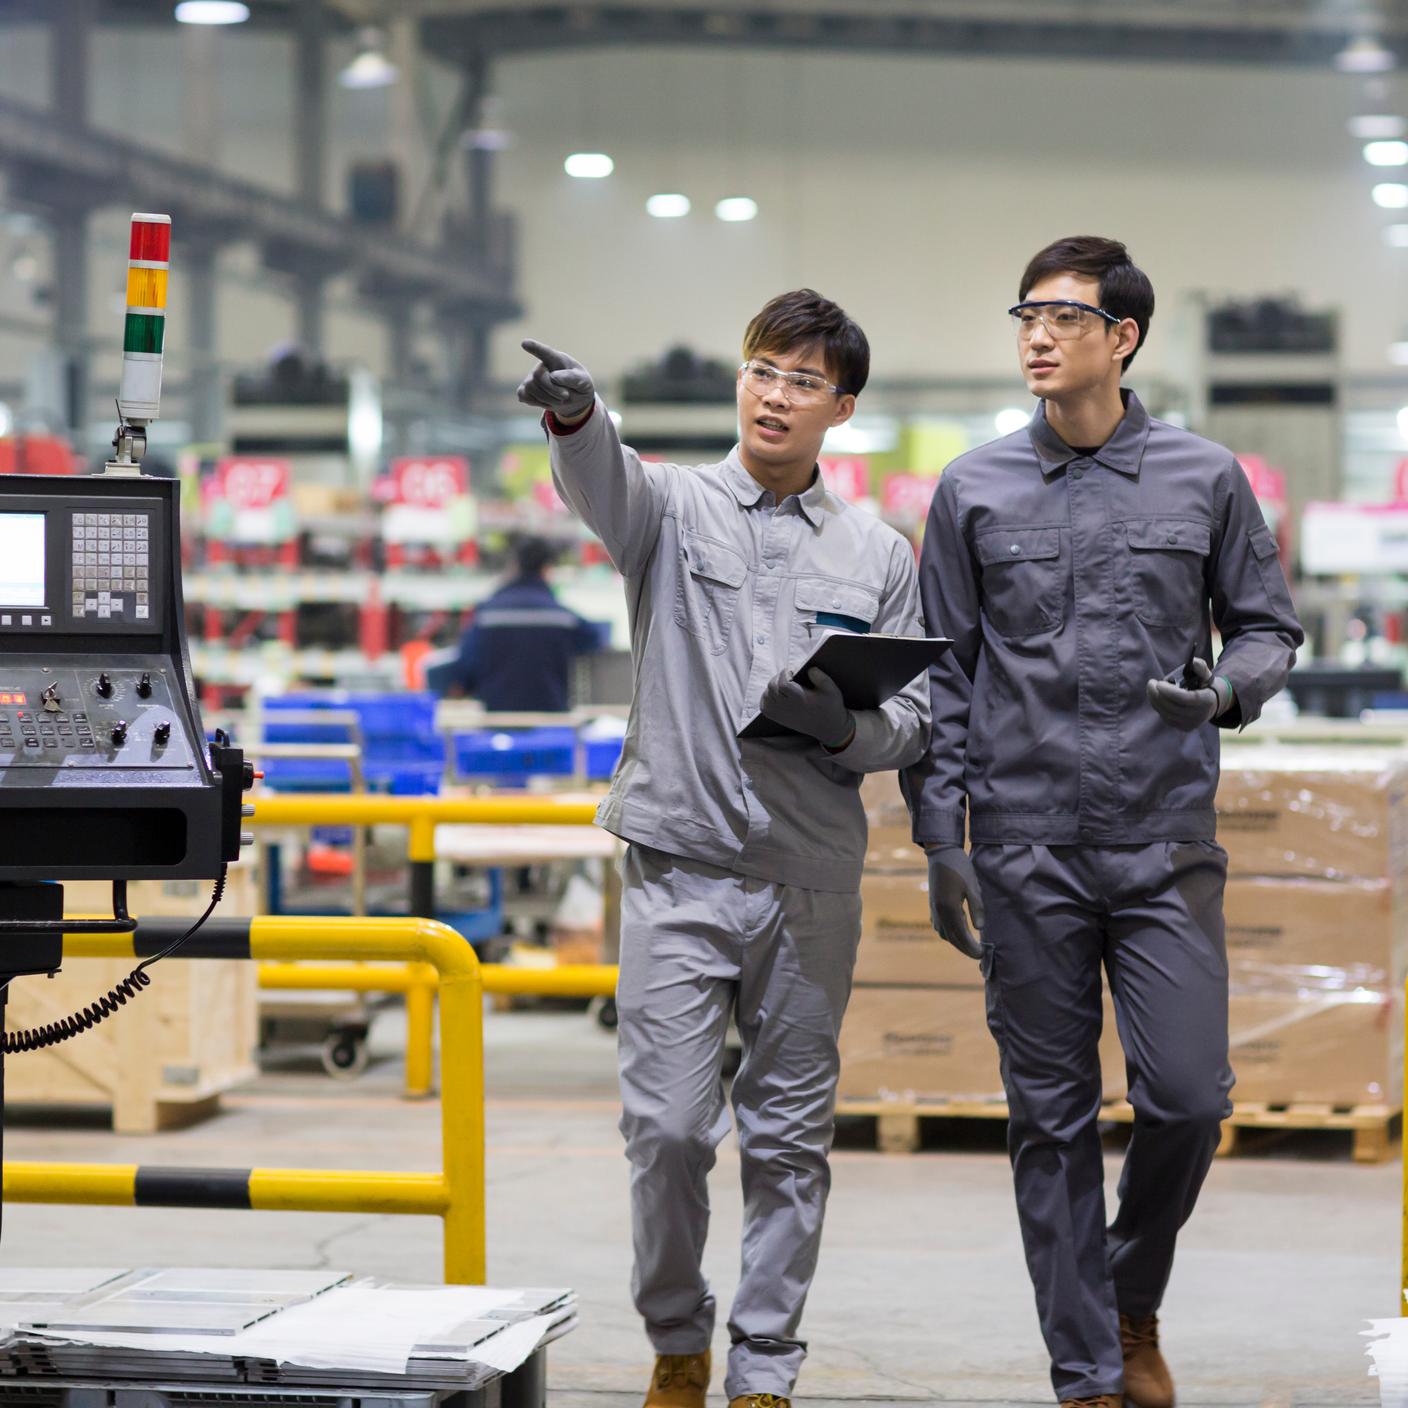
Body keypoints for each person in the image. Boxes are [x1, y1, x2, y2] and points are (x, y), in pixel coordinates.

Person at [902, 237, 1302, 1408]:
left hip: (1163, 841)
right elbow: (946, 679)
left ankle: (1130, 1296)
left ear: (1121, 339)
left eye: (1063, 316)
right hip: (1024, 846)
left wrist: (1227, 690)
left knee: (1188, 1098)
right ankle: (1085, 1372)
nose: (1036, 334)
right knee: (1048, 1120)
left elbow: (1269, 628)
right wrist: (941, 839)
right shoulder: (973, 489)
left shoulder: (1204, 477)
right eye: (1025, 313)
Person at [516, 290, 928, 1408]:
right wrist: (577, 417)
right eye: (761, 370)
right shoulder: (672, 509)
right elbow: (605, 485)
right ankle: (676, 1334)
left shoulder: (877, 554)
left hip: (809, 881)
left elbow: (918, 720)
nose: (775, 395)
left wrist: (844, 726)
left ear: (840, 407)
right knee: (664, 1129)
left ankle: (762, 1365)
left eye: (802, 380)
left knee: (789, 1141)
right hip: (680, 866)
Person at [438, 536, 603, 711]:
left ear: (514, 566)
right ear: (546, 569)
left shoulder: (487, 614)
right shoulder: (563, 618)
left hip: (497, 724)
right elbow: (596, 640)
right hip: (551, 723)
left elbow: (464, 668)